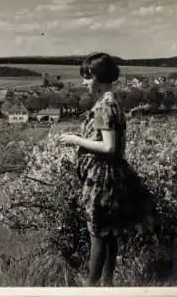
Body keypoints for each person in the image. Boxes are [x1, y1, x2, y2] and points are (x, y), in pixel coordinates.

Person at [57, 52, 153, 286]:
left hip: (102, 178)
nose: (84, 82)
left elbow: (109, 148)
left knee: (98, 234)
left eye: (87, 77)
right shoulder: (113, 102)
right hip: (111, 176)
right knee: (109, 234)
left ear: (98, 77)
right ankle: (107, 285)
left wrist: (75, 139)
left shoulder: (105, 106)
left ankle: (92, 287)